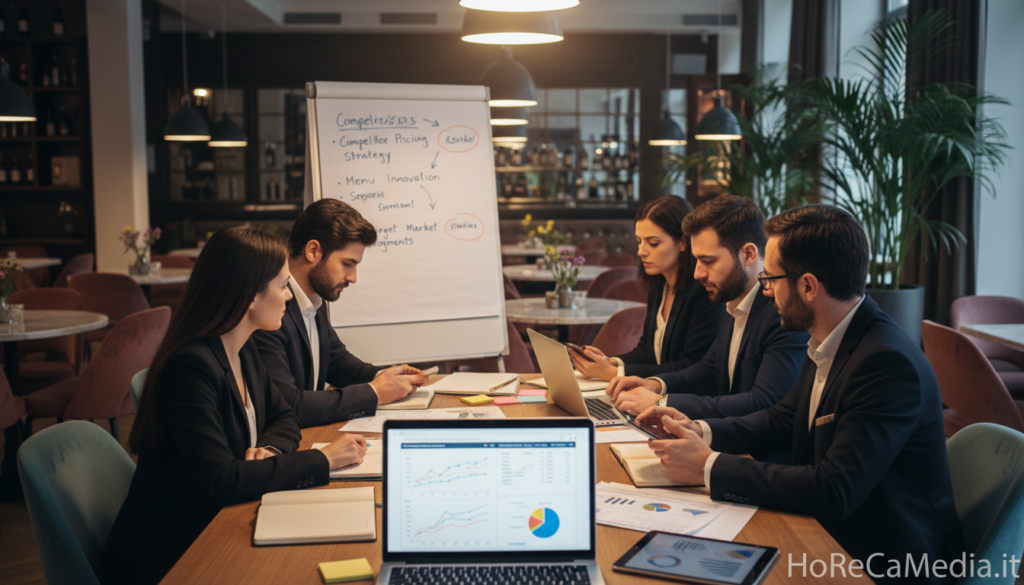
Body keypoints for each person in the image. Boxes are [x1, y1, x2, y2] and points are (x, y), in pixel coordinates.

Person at [638, 205, 964, 582]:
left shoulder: (886, 364)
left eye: (771, 279)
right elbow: (785, 418)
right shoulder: (830, 334)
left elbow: (834, 488)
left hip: (882, 561)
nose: (766, 290)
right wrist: (699, 429)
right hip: (832, 534)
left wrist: (707, 465)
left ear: (808, 286)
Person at [97, 226, 367, 585]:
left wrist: (269, 449)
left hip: (221, 520)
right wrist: (325, 459)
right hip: (175, 554)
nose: (289, 296)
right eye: (283, 285)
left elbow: (285, 414)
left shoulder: (244, 347)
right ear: (250, 295)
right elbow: (221, 481)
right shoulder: (190, 367)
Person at [606, 195, 809, 421]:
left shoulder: (782, 311)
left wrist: (663, 403)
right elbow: (709, 369)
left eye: (708, 261)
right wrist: (656, 385)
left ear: (748, 254)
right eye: (696, 260)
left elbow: (763, 402)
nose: (697, 273)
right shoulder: (733, 298)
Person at [253, 199, 427, 428]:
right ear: (313, 251)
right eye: (347, 263)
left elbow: (336, 361)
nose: (353, 277)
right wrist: (375, 392)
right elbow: (289, 404)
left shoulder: (315, 300)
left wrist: (386, 375)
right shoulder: (269, 311)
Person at [569, 196, 722, 380]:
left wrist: (614, 374)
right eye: (639, 241)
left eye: (653, 243)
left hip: (682, 400)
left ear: (683, 242)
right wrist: (610, 362)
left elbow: (691, 366)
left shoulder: (704, 292)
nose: (641, 251)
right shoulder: (659, 284)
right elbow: (647, 352)